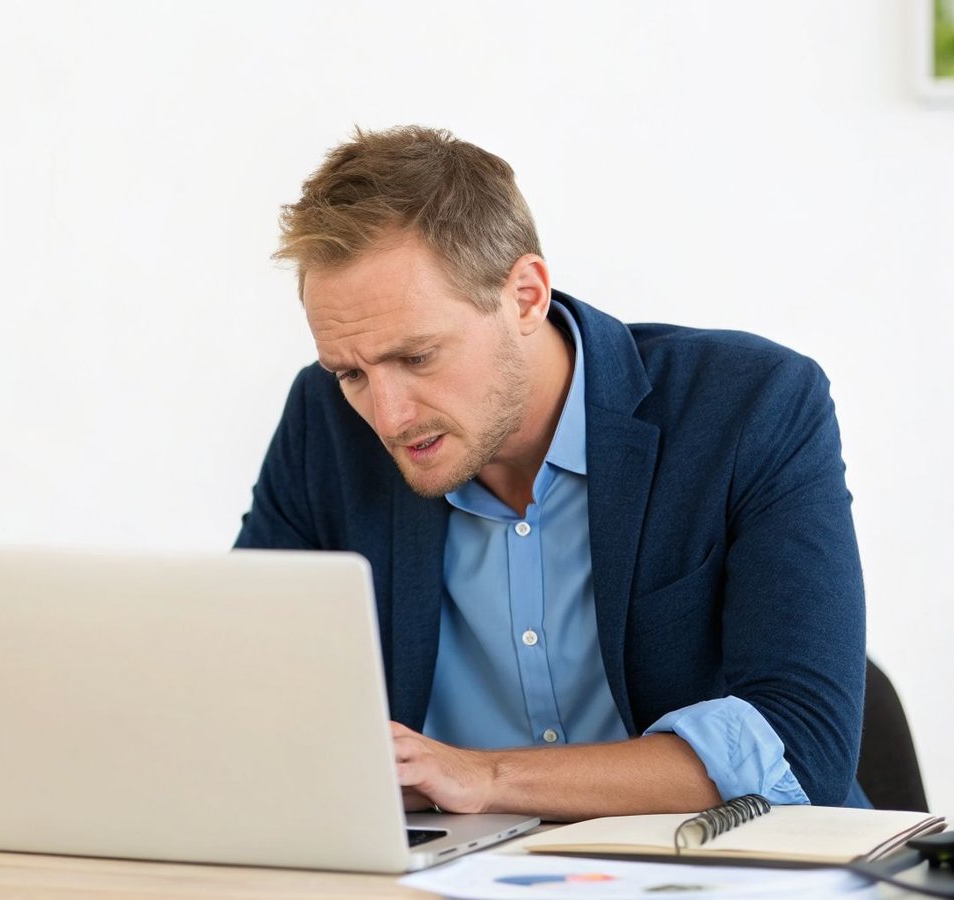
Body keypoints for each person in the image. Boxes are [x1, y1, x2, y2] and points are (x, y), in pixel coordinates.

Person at [234, 126, 868, 820]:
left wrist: (486, 777)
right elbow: (247, 687)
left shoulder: (751, 406)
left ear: (526, 296)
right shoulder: (323, 424)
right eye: (352, 373)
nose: (386, 417)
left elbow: (802, 747)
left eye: (417, 358)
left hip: (721, 867)